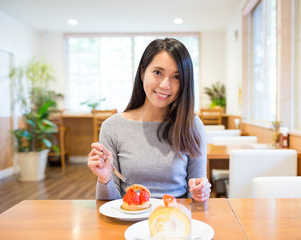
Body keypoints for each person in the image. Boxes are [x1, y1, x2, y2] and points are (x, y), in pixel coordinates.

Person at [87, 38, 211, 202]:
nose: (166, 85)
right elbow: (109, 204)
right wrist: (105, 179)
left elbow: (195, 192)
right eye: (158, 72)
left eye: (176, 76)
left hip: (174, 219)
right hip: (129, 218)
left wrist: (200, 191)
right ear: (142, 72)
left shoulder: (192, 125)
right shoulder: (113, 127)